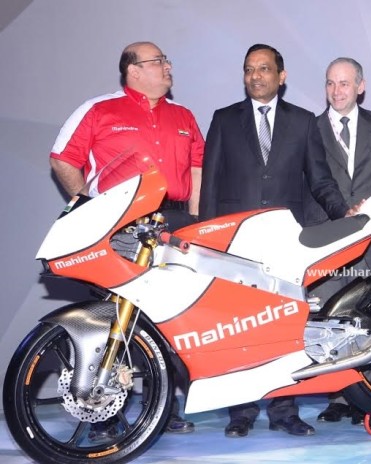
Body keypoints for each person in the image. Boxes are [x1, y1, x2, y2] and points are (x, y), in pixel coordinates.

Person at [50, 41, 204, 436]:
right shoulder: (99, 110)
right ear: (133, 70)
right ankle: (100, 413)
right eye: (158, 61)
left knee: (169, 317)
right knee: (111, 317)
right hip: (121, 225)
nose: (168, 66)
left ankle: (163, 407)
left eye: (166, 60)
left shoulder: (183, 115)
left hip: (173, 224)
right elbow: (63, 158)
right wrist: (88, 208)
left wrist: (195, 220)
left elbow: (197, 167)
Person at [199, 44, 351, 438]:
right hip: (235, 244)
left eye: (264, 68)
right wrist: (206, 244)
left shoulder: (303, 122)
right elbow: (210, 185)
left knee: (285, 328)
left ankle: (285, 411)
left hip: (284, 243)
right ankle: (241, 412)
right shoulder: (223, 119)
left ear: (281, 77)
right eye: (249, 69)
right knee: (237, 330)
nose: (256, 76)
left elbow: (320, 179)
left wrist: (344, 214)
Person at [305, 58, 371, 424]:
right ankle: (339, 396)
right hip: (328, 236)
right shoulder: (310, 128)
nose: (336, 91)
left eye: (344, 83)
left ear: (360, 86)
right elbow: (314, 179)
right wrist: (343, 211)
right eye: (330, 83)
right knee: (332, 319)